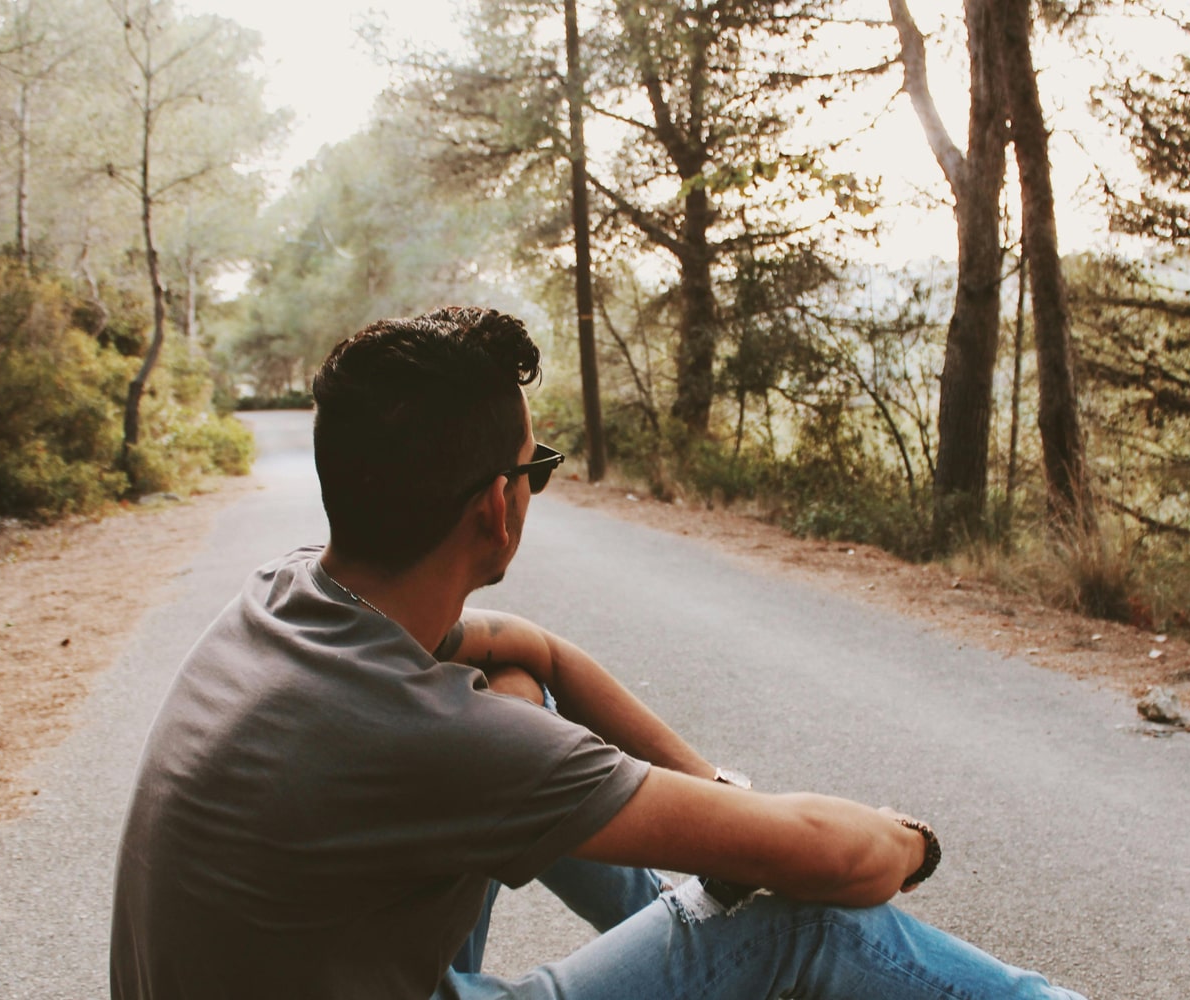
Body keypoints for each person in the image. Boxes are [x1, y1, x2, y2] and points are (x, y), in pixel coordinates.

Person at [109, 306, 1087, 1000]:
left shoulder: (293, 596)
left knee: (518, 695)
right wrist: (907, 835)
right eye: (534, 469)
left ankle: (687, 905)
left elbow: (531, 649)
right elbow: (839, 862)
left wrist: (711, 796)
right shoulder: (432, 741)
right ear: (496, 504)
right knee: (797, 919)